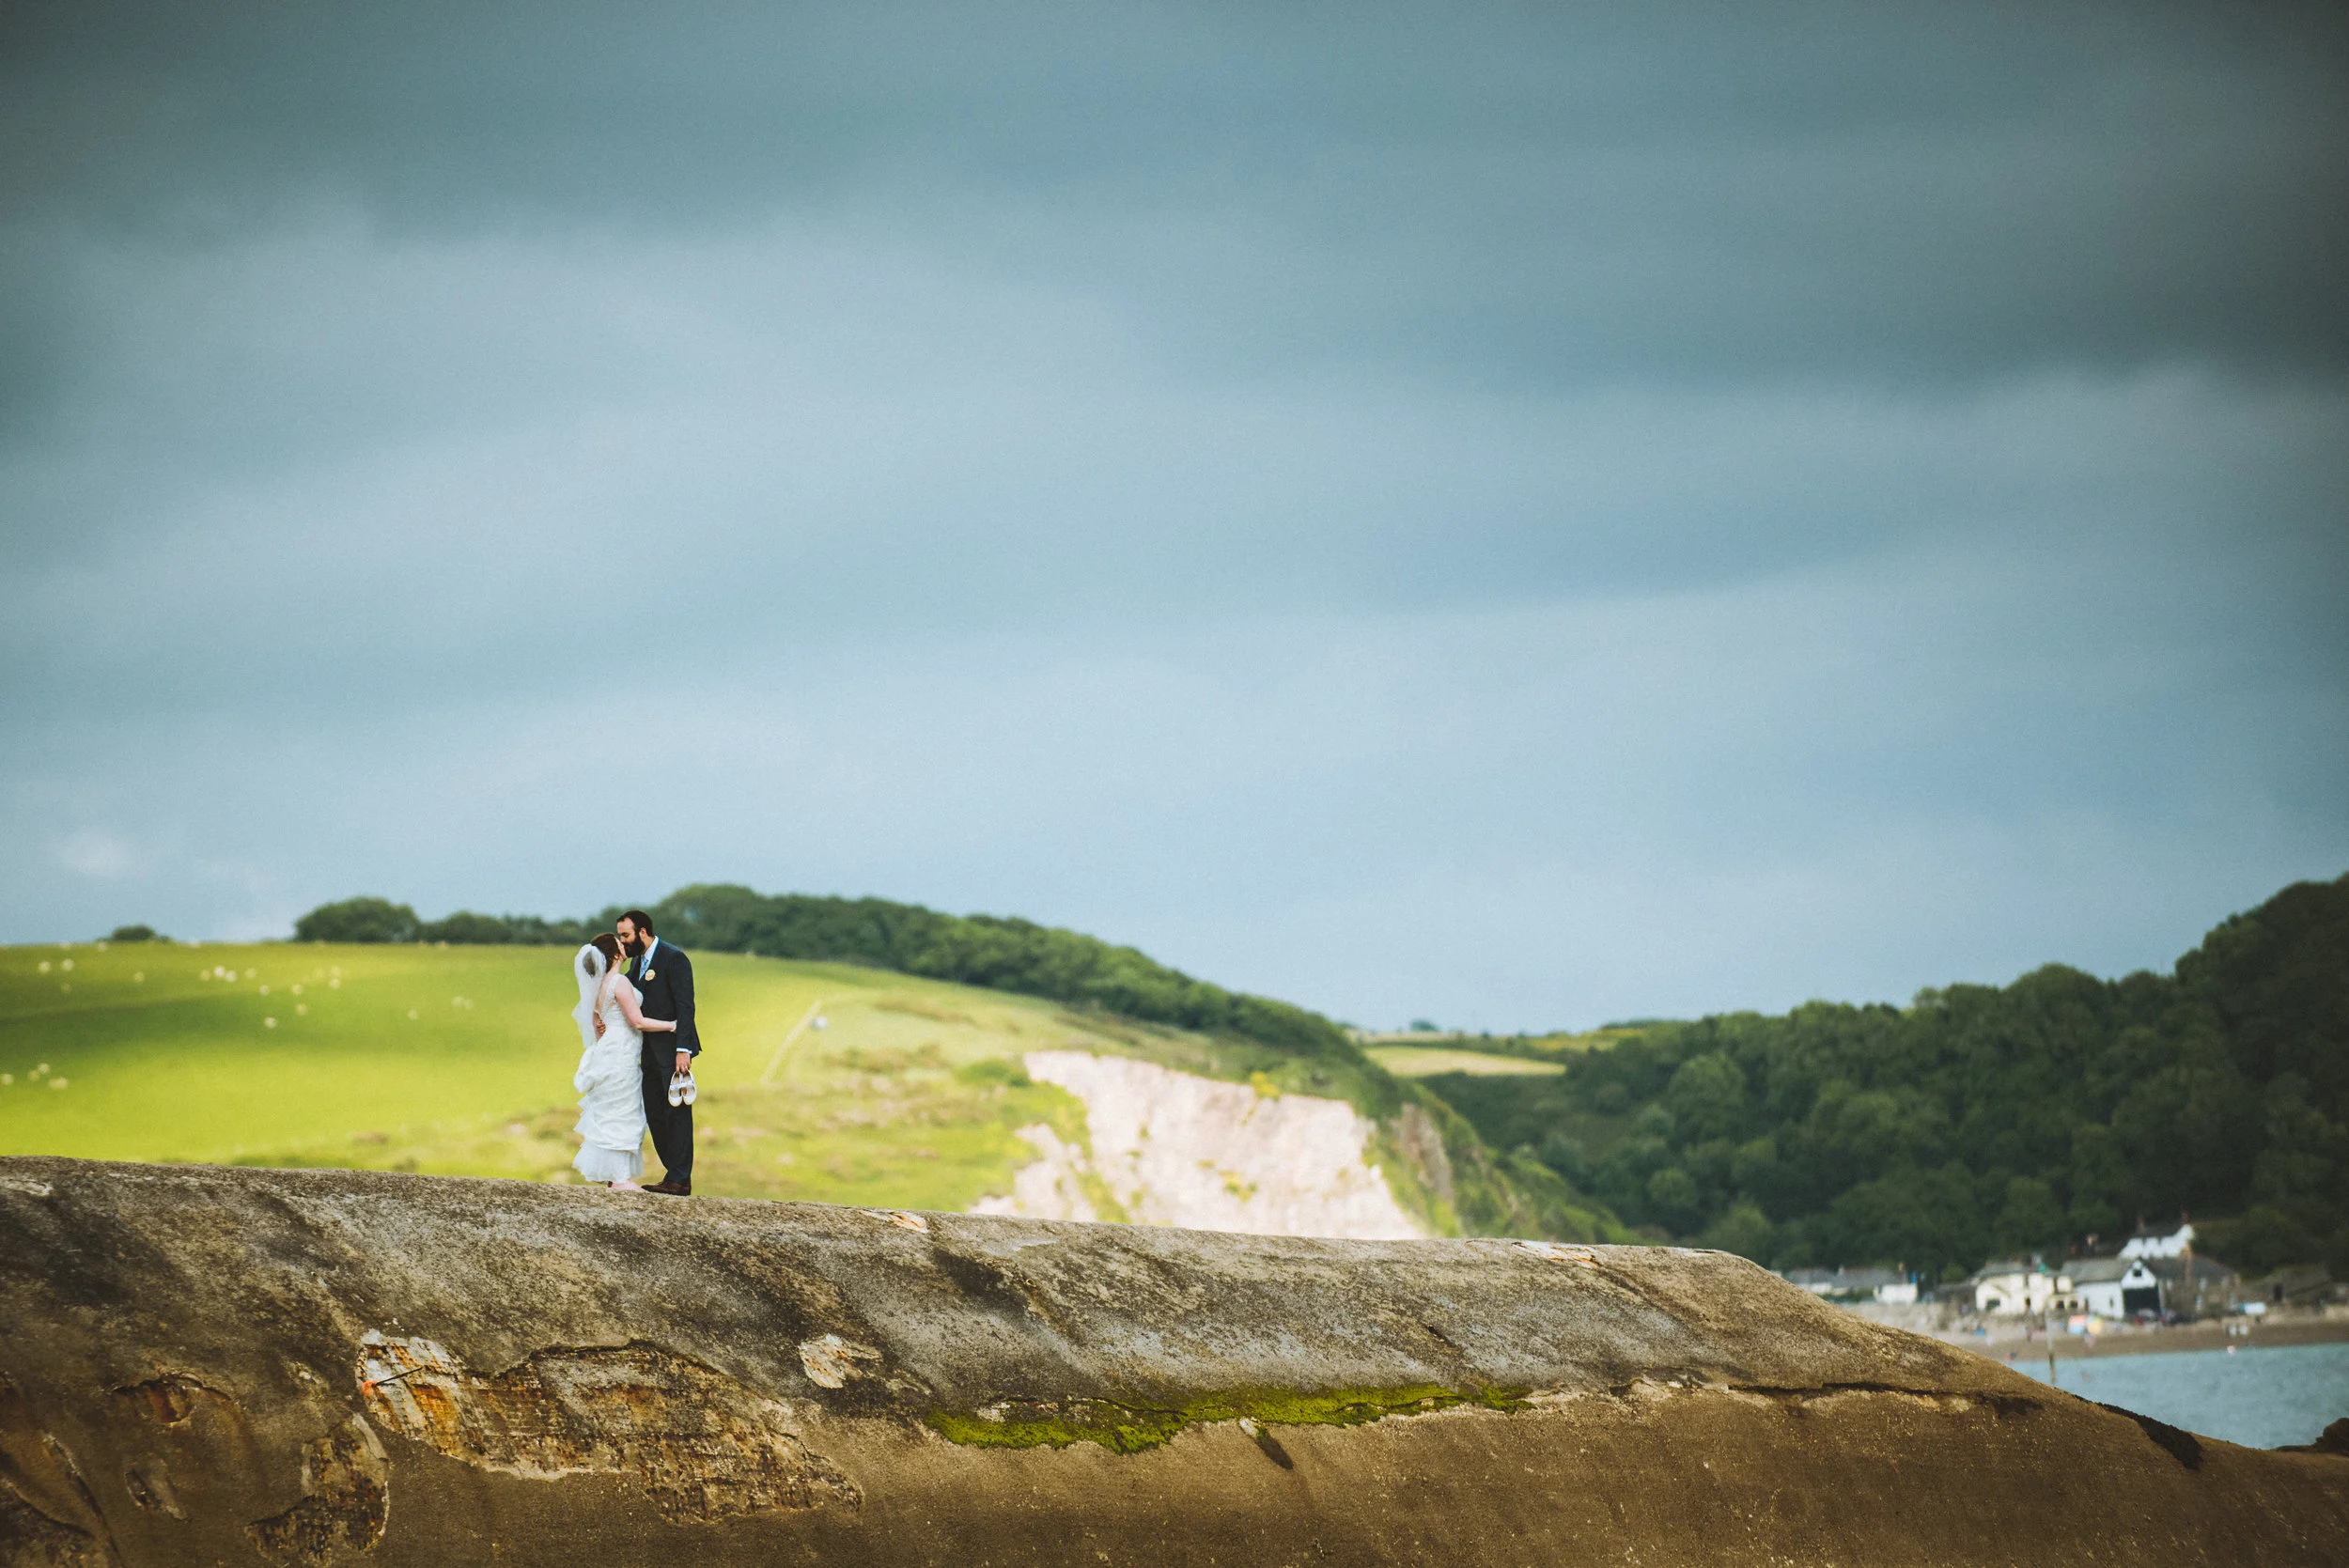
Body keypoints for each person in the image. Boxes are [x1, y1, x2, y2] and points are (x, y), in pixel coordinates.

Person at [569, 933, 676, 1188]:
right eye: (620, 943)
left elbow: (597, 1025)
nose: (624, 944)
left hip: (607, 1050)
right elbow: (637, 1021)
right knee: (624, 1110)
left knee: (608, 1110)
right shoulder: (619, 983)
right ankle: (618, 1178)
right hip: (622, 1054)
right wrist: (673, 1026)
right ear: (615, 953)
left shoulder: (597, 986)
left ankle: (612, 1177)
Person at [616, 908, 699, 1195]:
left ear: (642, 931)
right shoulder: (636, 963)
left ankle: (680, 1178)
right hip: (647, 1052)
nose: (622, 940)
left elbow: (685, 1007)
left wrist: (683, 1050)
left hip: (673, 1052)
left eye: (626, 935)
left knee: (676, 1112)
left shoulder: (673, 958)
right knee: (655, 1113)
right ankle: (671, 1173)